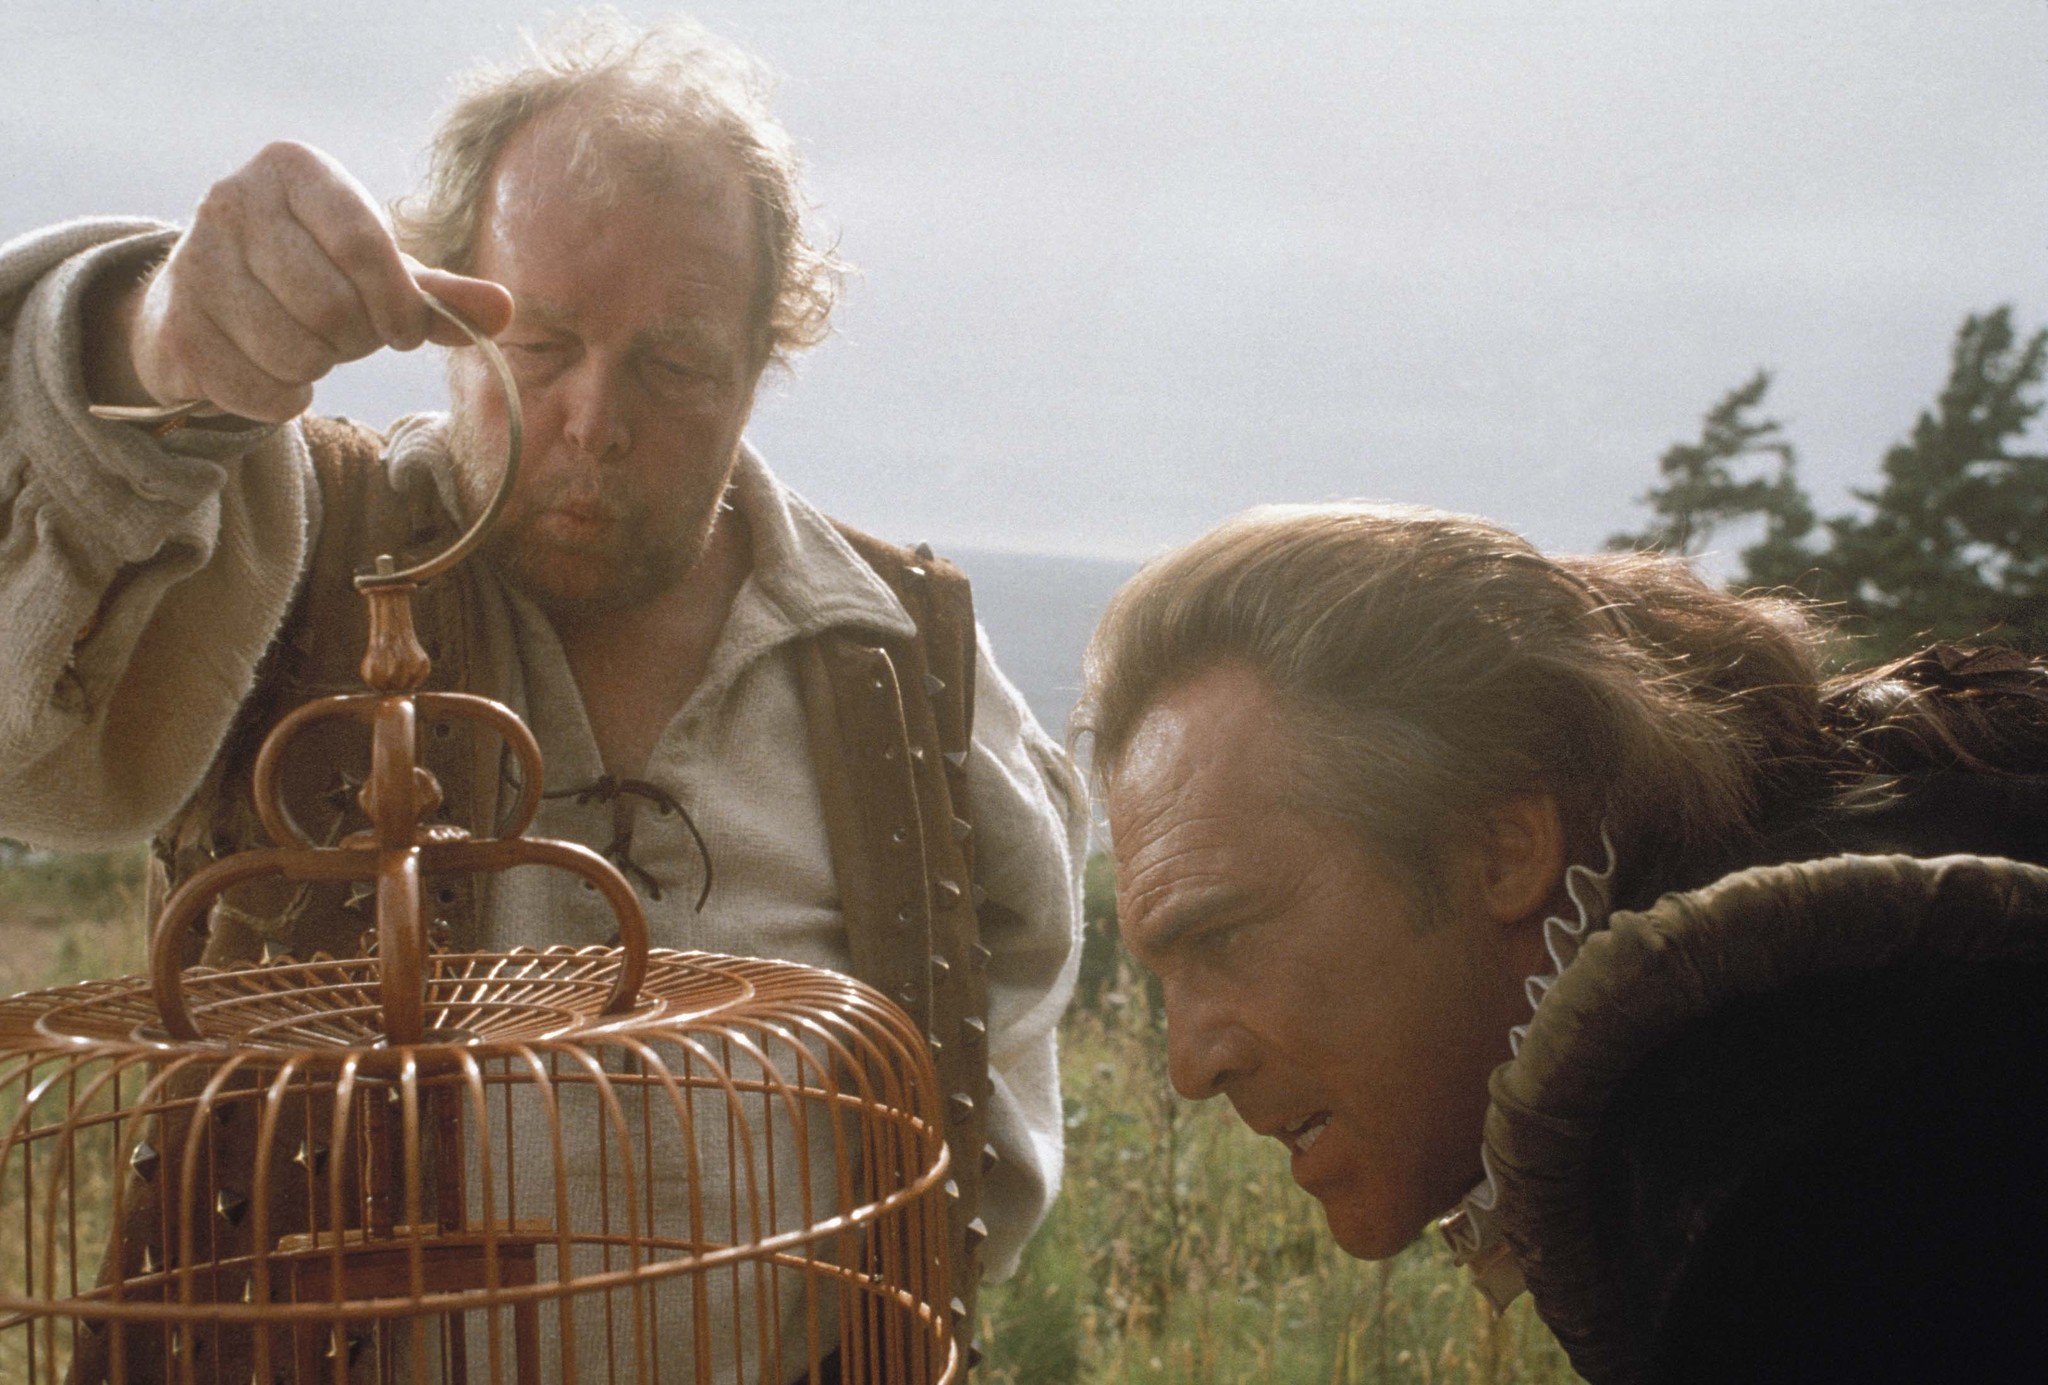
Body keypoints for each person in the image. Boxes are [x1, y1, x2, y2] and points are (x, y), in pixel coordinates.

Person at [0, 11, 1082, 1378]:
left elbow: (1000, 1047)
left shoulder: (903, 658)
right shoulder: (294, 550)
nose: (595, 421)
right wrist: (148, 350)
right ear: (445, 317)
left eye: (675, 365)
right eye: (543, 342)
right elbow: (26, 747)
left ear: (761, 361)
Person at [1075, 501, 2048, 1378]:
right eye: (1163, 973)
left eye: (1222, 936)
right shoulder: (1856, 974)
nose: (1190, 1066)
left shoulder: (1799, 1180)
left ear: (1503, 849)